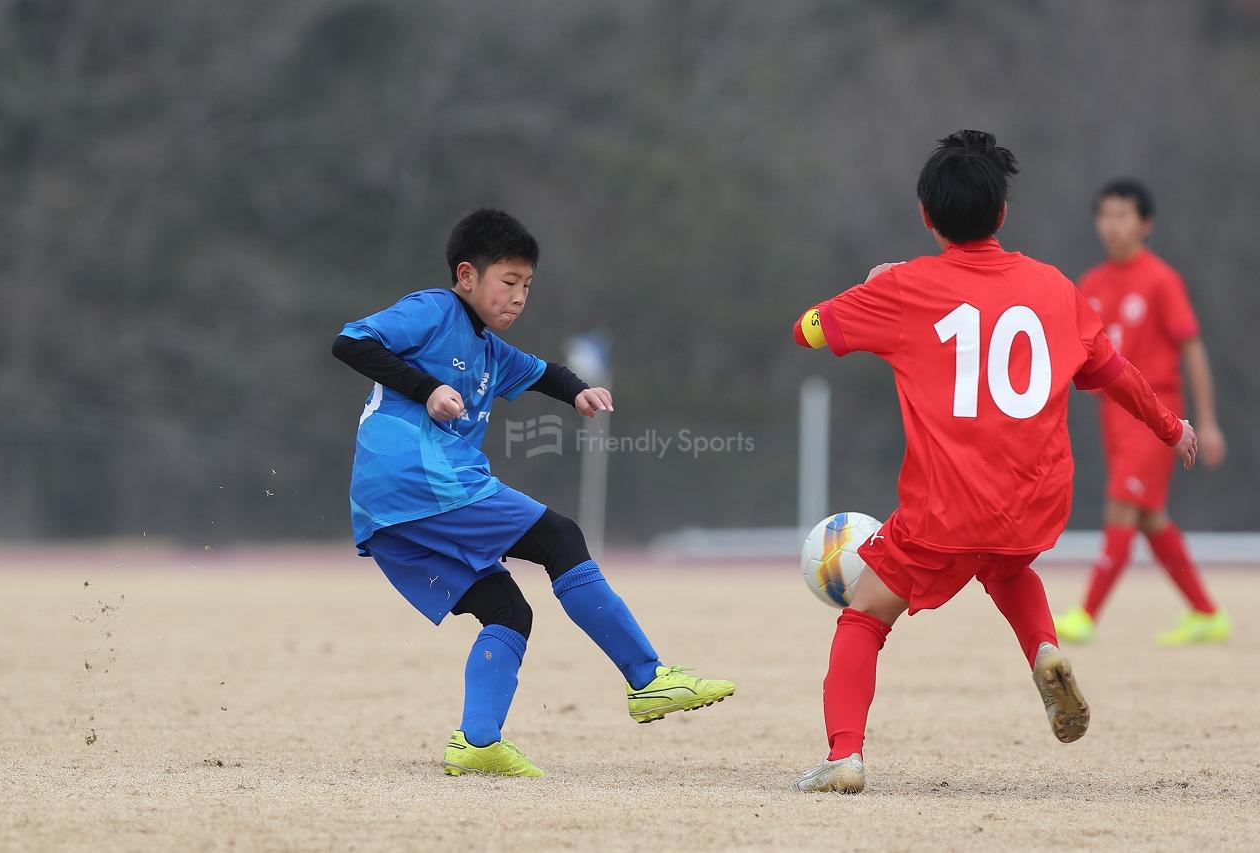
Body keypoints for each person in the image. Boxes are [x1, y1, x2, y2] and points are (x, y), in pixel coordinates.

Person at [789, 131, 1197, 794]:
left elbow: (807, 329)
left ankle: (844, 756)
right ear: (1002, 213)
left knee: (863, 617)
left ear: (926, 215)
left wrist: (870, 286)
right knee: (1006, 566)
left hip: (944, 509)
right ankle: (1044, 649)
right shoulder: (1055, 287)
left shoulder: (905, 288)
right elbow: (1116, 373)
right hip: (1032, 502)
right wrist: (1171, 427)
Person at [332, 208, 735, 778]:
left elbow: (544, 372)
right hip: (419, 479)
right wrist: (426, 389)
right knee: (559, 537)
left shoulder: (489, 350)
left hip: (388, 511)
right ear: (467, 276)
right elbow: (351, 341)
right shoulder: (435, 309)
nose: (519, 297)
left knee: (507, 610)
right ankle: (647, 679)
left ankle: (478, 742)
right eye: (509, 281)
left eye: (527, 285)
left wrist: (579, 392)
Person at [1054, 179, 1231, 646]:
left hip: (1158, 411)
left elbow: (1192, 348)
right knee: (1149, 515)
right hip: (1113, 414)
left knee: (1123, 504)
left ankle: (1086, 615)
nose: (1112, 225)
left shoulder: (1161, 280)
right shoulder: (1091, 283)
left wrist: (1208, 421)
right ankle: (1206, 613)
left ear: (1145, 224)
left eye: (1123, 215)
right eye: (1105, 215)